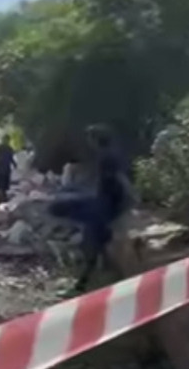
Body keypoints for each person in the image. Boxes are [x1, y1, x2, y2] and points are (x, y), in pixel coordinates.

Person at [49, 125, 132, 293]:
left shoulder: (106, 159)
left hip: (103, 209)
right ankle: (117, 280)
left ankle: (81, 286)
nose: (89, 143)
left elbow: (110, 187)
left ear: (96, 140)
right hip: (107, 208)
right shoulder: (111, 156)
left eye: (90, 139)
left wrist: (103, 208)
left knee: (90, 247)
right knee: (100, 247)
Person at [0, 135, 17, 203]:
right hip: (0, 168)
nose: (6, 141)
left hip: (6, 168)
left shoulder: (9, 148)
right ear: (3, 140)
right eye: (5, 140)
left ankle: (3, 198)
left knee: (5, 184)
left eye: (7, 140)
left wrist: (14, 164)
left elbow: (11, 158)